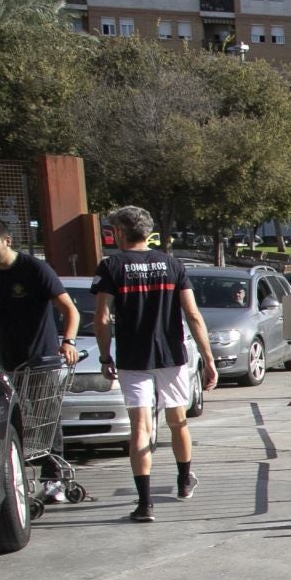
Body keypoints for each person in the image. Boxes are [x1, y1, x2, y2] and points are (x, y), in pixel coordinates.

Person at [92, 205, 217, 523]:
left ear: (120, 232)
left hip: (133, 357)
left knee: (141, 428)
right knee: (178, 421)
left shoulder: (111, 266)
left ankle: (145, 503)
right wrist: (208, 358)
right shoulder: (172, 264)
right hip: (171, 355)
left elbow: (102, 317)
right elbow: (192, 315)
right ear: (148, 232)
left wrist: (105, 355)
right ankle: (184, 481)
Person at [0, 217, 81, 501]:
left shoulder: (34, 269)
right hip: (4, 360)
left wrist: (68, 342)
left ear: (7, 241)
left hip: (41, 358)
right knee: (14, 422)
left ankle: (53, 479)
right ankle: (12, 478)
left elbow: (70, 310)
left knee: (46, 419)